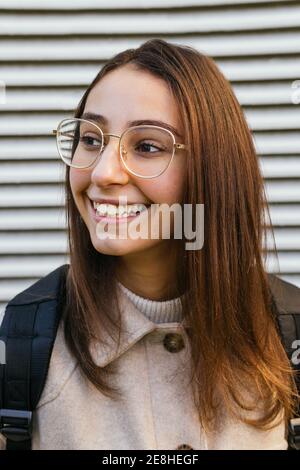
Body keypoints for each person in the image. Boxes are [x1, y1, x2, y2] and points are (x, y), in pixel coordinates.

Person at [0, 38, 299, 450]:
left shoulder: (287, 337)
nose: (103, 172)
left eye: (146, 146)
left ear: (215, 170)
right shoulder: (24, 345)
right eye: (90, 139)